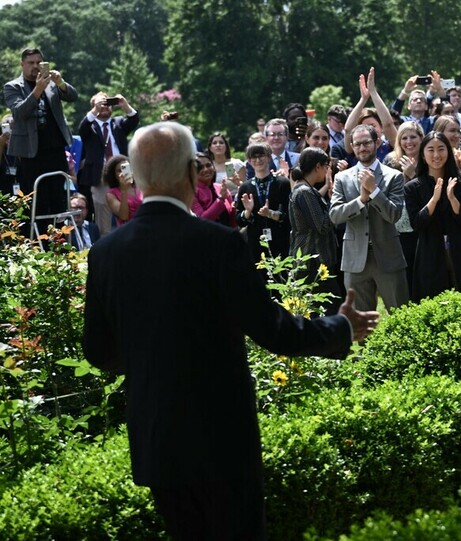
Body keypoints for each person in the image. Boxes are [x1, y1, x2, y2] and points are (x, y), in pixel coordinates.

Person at [82, 121, 379, 541]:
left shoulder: (105, 252)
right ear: (190, 172)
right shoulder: (219, 244)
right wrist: (341, 328)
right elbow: (275, 332)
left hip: (158, 442)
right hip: (221, 439)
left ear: (137, 175)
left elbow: (99, 351)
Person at [329, 124, 409, 312]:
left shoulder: (394, 177)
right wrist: (361, 200)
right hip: (355, 258)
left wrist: (374, 192)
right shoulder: (342, 178)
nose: (362, 148)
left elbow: (394, 215)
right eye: (357, 144)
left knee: (400, 314)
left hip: (387, 254)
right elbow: (334, 216)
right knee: (361, 321)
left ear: (378, 143)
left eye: (366, 143)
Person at [404, 132, 461, 302]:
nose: (436, 155)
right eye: (431, 150)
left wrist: (452, 199)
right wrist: (433, 200)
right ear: (423, 153)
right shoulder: (413, 187)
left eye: (441, 149)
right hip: (430, 251)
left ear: (448, 151)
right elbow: (417, 224)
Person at [3, 48, 78, 230]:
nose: (35, 67)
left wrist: (60, 82)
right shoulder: (13, 87)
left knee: (59, 201)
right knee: (37, 201)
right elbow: (20, 112)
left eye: (38, 62)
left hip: (56, 150)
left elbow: (73, 96)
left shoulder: (51, 83)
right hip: (30, 153)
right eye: (31, 63)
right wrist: (38, 90)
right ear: (22, 64)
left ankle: (61, 243)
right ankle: (39, 245)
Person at [76, 91, 139, 235]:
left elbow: (134, 120)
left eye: (107, 103)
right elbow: (82, 129)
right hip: (101, 175)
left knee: (131, 205)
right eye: (100, 103)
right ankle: (106, 241)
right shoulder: (90, 126)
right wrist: (95, 109)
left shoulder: (118, 123)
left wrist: (125, 105)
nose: (105, 106)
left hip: (124, 171)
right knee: (104, 215)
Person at [289, 147, 343, 314]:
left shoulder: (305, 189)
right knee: (328, 309)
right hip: (312, 262)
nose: (329, 169)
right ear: (318, 167)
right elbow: (322, 225)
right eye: (327, 165)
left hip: (313, 260)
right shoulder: (304, 192)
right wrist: (335, 201)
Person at [235, 142, 291, 267]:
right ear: (249, 161)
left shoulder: (282, 183)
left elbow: (290, 216)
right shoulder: (245, 187)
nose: (257, 160)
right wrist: (248, 212)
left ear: (269, 157)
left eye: (261, 155)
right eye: (253, 157)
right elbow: (239, 219)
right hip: (255, 243)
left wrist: (271, 214)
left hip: (280, 240)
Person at [383, 121, 424, 291]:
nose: (409, 142)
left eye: (413, 137)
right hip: (398, 228)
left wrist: (413, 174)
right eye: (404, 138)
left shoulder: (428, 159)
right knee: (402, 279)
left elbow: (429, 193)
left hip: (421, 226)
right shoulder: (390, 161)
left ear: (421, 138)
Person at [191, 151, 235, 227]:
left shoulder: (220, 187)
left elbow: (233, 220)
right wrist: (220, 200)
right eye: (200, 167)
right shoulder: (191, 192)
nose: (205, 169)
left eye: (208, 165)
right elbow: (202, 220)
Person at [104, 155, 142, 226]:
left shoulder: (140, 186)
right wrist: (124, 191)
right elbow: (124, 216)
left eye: (126, 169)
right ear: (114, 175)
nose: (123, 173)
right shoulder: (111, 194)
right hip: (128, 229)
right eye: (119, 171)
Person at [207, 132, 245, 197]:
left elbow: (245, 187)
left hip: (234, 200)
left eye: (221, 142)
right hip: (213, 201)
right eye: (214, 143)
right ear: (210, 148)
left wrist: (238, 182)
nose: (218, 145)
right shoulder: (207, 166)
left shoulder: (237, 164)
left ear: (226, 146)